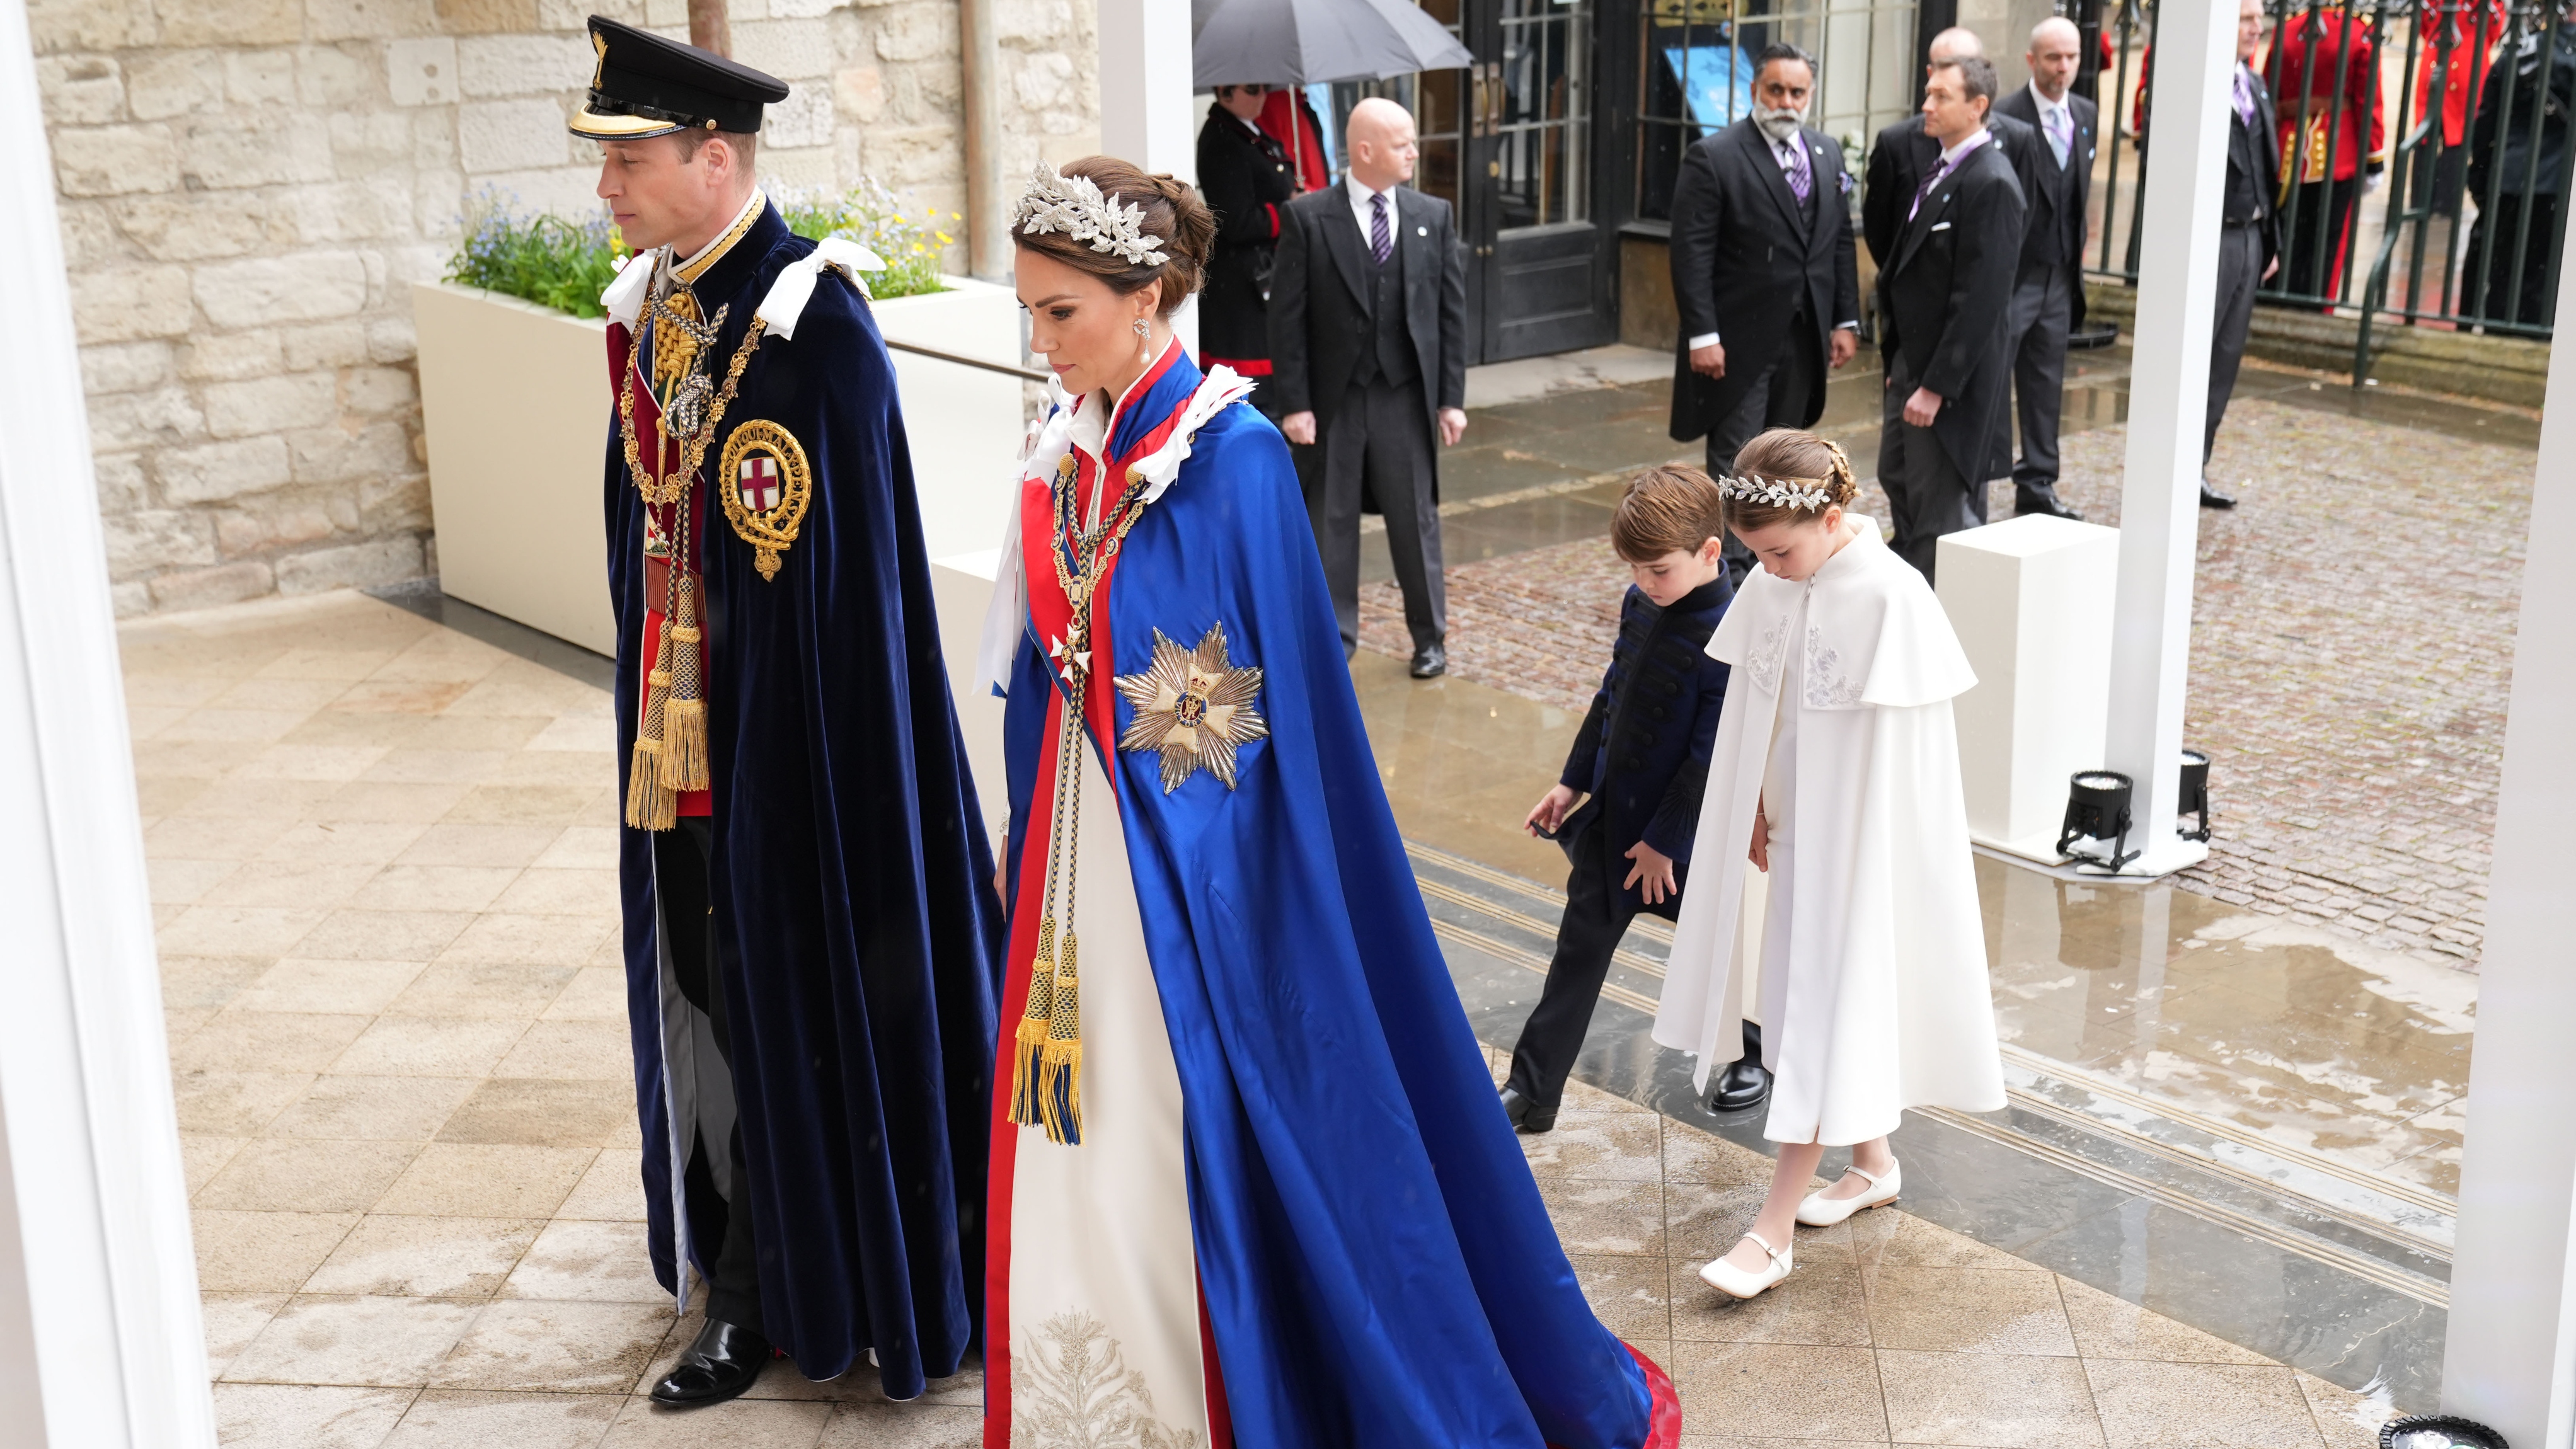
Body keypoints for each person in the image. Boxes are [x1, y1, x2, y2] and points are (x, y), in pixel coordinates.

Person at [977, 156, 1681, 1447]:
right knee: (1094, 1136)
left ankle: (1227, 1388)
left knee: (1193, 1124)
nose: (1041, 338)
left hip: (1197, 878)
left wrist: (1190, 864)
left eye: (1060, 311)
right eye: (1028, 310)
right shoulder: (1065, 457)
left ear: (1146, 302)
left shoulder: (1231, 460)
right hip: (1081, 874)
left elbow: (1265, 719)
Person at [573, 16, 1002, 1408]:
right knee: (707, 990)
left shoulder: (809, 327)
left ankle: (767, 1294)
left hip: (800, 758)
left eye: (629, 158)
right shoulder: (657, 305)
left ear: (714, 154)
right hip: (682, 742)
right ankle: (736, 1249)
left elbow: (851, 599)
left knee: (779, 1000)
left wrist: (781, 762)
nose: (606, 188)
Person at [1650, 428, 2004, 1302]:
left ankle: (1771, 1232)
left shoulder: (1892, 596)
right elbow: (1761, 712)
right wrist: (1759, 805)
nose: (1765, 570)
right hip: (1798, 837)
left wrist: (1858, 851)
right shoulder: (1779, 582)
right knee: (1802, 1002)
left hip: (1858, 850)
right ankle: (1873, 1165)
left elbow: (1906, 765)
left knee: (1815, 1014)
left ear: (1834, 517)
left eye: (1777, 551)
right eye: (1754, 555)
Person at [1504, 466, 1761, 1133]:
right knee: (1576, 953)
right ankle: (1531, 1092)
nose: (1645, 583)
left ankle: (1752, 1054)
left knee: (1722, 950)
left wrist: (1663, 843)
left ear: (1709, 552)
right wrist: (1570, 782)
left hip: (1681, 843)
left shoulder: (1731, 632)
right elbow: (1610, 695)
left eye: (1658, 569)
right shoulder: (1639, 599)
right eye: (1635, 569)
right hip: (1616, 823)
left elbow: (1706, 758)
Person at [1268, 97, 1469, 678]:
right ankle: (1335, 641)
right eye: (1402, 142)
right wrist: (1296, 405)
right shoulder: (1308, 217)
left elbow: (1450, 315)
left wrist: (1450, 399)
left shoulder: (1434, 213)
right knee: (1330, 524)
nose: (1413, 150)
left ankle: (1430, 639)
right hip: (1333, 402)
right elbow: (1287, 320)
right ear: (1365, 151)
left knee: (1415, 521)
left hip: (1403, 397)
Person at [1665, 43, 1862, 590]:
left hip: (1803, 338)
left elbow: (1839, 243)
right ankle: (1727, 575)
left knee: (1788, 460)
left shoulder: (1825, 153)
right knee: (1737, 464)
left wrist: (1845, 320)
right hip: (1737, 341)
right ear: (1755, 90)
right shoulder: (1716, 156)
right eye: (1775, 90)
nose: (1786, 101)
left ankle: (1781, 563)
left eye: (1797, 92)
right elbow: (1691, 252)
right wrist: (1703, 335)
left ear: (1810, 94)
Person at [1873, 54, 2025, 582]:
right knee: (1896, 479)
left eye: (1941, 96)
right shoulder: (1944, 168)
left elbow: (1980, 301)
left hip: (1948, 386)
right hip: (1911, 366)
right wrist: (1899, 360)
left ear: (1978, 106)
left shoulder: (1992, 182)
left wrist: (1935, 386)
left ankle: (1933, 626)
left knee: (1940, 514)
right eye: (1928, 93)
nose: (1926, 106)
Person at [1991, 18, 2096, 521]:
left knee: (2045, 383)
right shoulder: (2006, 116)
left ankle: (2037, 482)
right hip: (2015, 278)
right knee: (1990, 380)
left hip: (2059, 278)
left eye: (2071, 57)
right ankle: (1976, 479)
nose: (2064, 67)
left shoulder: (2085, 114)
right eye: (2053, 58)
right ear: (2032, 60)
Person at [1863, 28, 2037, 271]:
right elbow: (1878, 228)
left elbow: (2016, 229)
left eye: (1968, 66)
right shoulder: (1895, 142)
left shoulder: (2017, 139)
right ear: (1930, 73)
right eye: (1943, 66)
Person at [2205, 0, 2284, 511]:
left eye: (2259, 19)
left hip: (2251, 237)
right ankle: (2171, 462)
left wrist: (2269, 241)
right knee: (2195, 355)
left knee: (2225, 358)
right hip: (2212, 238)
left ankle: (2196, 464)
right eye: (2245, 19)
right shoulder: (2204, 88)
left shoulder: (2252, 84)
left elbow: (2265, 164)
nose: (2256, 29)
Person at [2466, 9, 2576, 327]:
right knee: (2549, 277)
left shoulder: (2516, 54)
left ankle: (2501, 336)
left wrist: (2481, 180)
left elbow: (2485, 124)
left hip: (2511, 179)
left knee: (2505, 272)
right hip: (2562, 185)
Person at [2270, 2, 2385, 301]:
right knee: (2326, 250)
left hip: (2286, 151)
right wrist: (2373, 160)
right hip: (2338, 156)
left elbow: (2271, 92)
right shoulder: (2359, 30)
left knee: (2286, 239)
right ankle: (2315, 308)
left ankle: (2278, 301)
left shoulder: (2289, 28)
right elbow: (2368, 103)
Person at [1195, 83, 1297, 384]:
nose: (1262, 96)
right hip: (1242, 285)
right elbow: (1236, 220)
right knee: (1253, 391)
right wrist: (1289, 211)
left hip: (1262, 275)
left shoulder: (1248, 132)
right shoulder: (1222, 139)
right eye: (1253, 89)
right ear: (1225, 91)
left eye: (1265, 87)